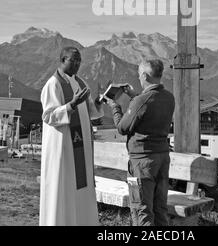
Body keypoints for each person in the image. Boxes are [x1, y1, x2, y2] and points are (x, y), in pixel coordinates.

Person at [106, 59, 175, 226]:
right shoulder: (169, 97)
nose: (139, 79)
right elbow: (148, 107)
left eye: (139, 75)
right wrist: (134, 96)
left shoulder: (140, 101)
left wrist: (114, 106)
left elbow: (122, 127)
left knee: (141, 209)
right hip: (162, 157)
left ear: (144, 75)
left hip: (142, 162)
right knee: (160, 208)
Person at [39, 46, 104, 226]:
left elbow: (91, 113)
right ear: (62, 60)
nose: (76, 64)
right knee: (64, 189)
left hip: (79, 149)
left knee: (79, 190)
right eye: (72, 60)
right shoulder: (53, 84)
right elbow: (48, 116)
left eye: (79, 61)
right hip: (63, 150)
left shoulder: (80, 82)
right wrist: (71, 105)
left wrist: (99, 102)